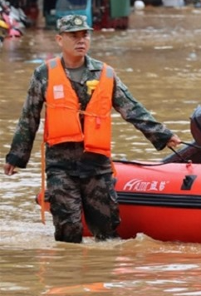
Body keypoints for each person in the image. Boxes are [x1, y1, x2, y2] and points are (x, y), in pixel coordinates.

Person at [3, 14, 181, 243]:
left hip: (97, 164)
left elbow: (132, 109)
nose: (81, 41)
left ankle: (99, 275)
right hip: (61, 165)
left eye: (84, 35)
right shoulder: (43, 74)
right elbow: (29, 117)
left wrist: (163, 135)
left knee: (107, 232)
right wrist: (16, 156)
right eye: (73, 36)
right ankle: (68, 275)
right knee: (69, 229)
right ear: (59, 39)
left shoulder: (105, 73)